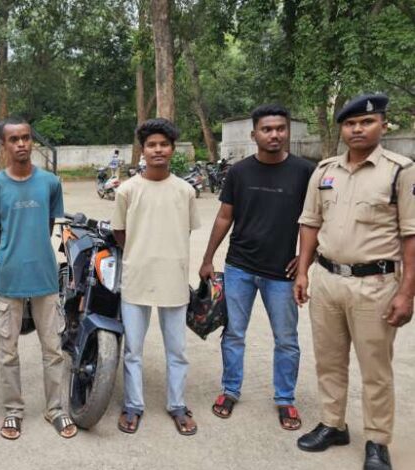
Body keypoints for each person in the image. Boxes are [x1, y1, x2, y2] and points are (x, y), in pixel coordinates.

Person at [294, 94, 415, 470]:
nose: (358, 129)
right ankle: (333, 424)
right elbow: (310, 223)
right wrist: (303, 271)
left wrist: (407, 291)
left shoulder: (400, 171)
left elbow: (411, 234)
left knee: (375, 367)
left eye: (366, 122)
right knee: (329, 360)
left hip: (375, 285)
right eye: (350, 124)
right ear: (342, 129)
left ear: (382, 125)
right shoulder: (324, 171)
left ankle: (377, 440)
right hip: (327, 280)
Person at [199, 105, 315, 430]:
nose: (274, 134)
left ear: (287, 131)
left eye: (280, 128)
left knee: (286, 339)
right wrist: (208, 258)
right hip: (240, 267)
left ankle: (285, 399)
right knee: (234, 333)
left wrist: (306, 261)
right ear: (254, 135)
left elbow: (315, 221)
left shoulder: (305, 172)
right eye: (267, 129)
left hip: (282, 273)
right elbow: (225, 216)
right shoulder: (239, 172)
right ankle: (229, 390)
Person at [0, 116, 77, 440]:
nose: (21, 144)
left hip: (44, 277)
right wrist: (12, 253)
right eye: (14, 139)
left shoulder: (50, 183)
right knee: (8, 351)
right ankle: (13, 410)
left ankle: (55, 409)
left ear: (31, 141)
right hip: (9, 278)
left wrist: (32, 249)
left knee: (53, 349)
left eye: (26, 137)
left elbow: (48, 225)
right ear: (3, 145)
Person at [112, 118, 200, 436]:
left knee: (177, 350)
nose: (158, 150)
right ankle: (133, 405)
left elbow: (185, 230)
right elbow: (120, 232)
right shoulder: (127, 190)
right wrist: (140, 254)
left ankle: (177, 405)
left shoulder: (185, 191)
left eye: (164, 144)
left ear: (172, 149)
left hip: (173, 279)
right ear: (143, 150)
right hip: (136, 278)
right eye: (152, 145)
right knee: (133, 350)